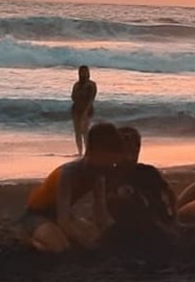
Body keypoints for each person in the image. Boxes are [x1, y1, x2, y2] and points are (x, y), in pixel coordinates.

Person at [17, 123, 123, 253]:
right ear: (93, 152)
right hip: (37, 215)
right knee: (60, 248)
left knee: (94, 235)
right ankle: (30, 240)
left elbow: (99, 208)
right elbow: (63, 220)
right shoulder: (68, 174)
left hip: (64, 216)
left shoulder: (99, 174)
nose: (110, 166)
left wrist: (102, 235)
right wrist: (87, 245)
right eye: (108, 159)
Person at [104, 127, 178, 248]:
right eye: (125, 148)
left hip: (155, 219)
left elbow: (170, 193)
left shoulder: (148, 171)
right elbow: (104, 202)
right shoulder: (111, 175)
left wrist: (175, 218)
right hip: (127, 223)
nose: (131, 153)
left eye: (135, 147)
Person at [71, 66, 97, 156]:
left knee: (85, 132)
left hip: (87, 109)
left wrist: (86, 111)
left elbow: (91, 99)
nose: (83, 73)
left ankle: (87, 152)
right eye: (81, 72)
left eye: (85, 72)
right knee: (77, 132)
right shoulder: (76, 85)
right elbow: (73, 97)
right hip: (76, 109)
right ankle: (80, 152)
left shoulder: (91, 84)